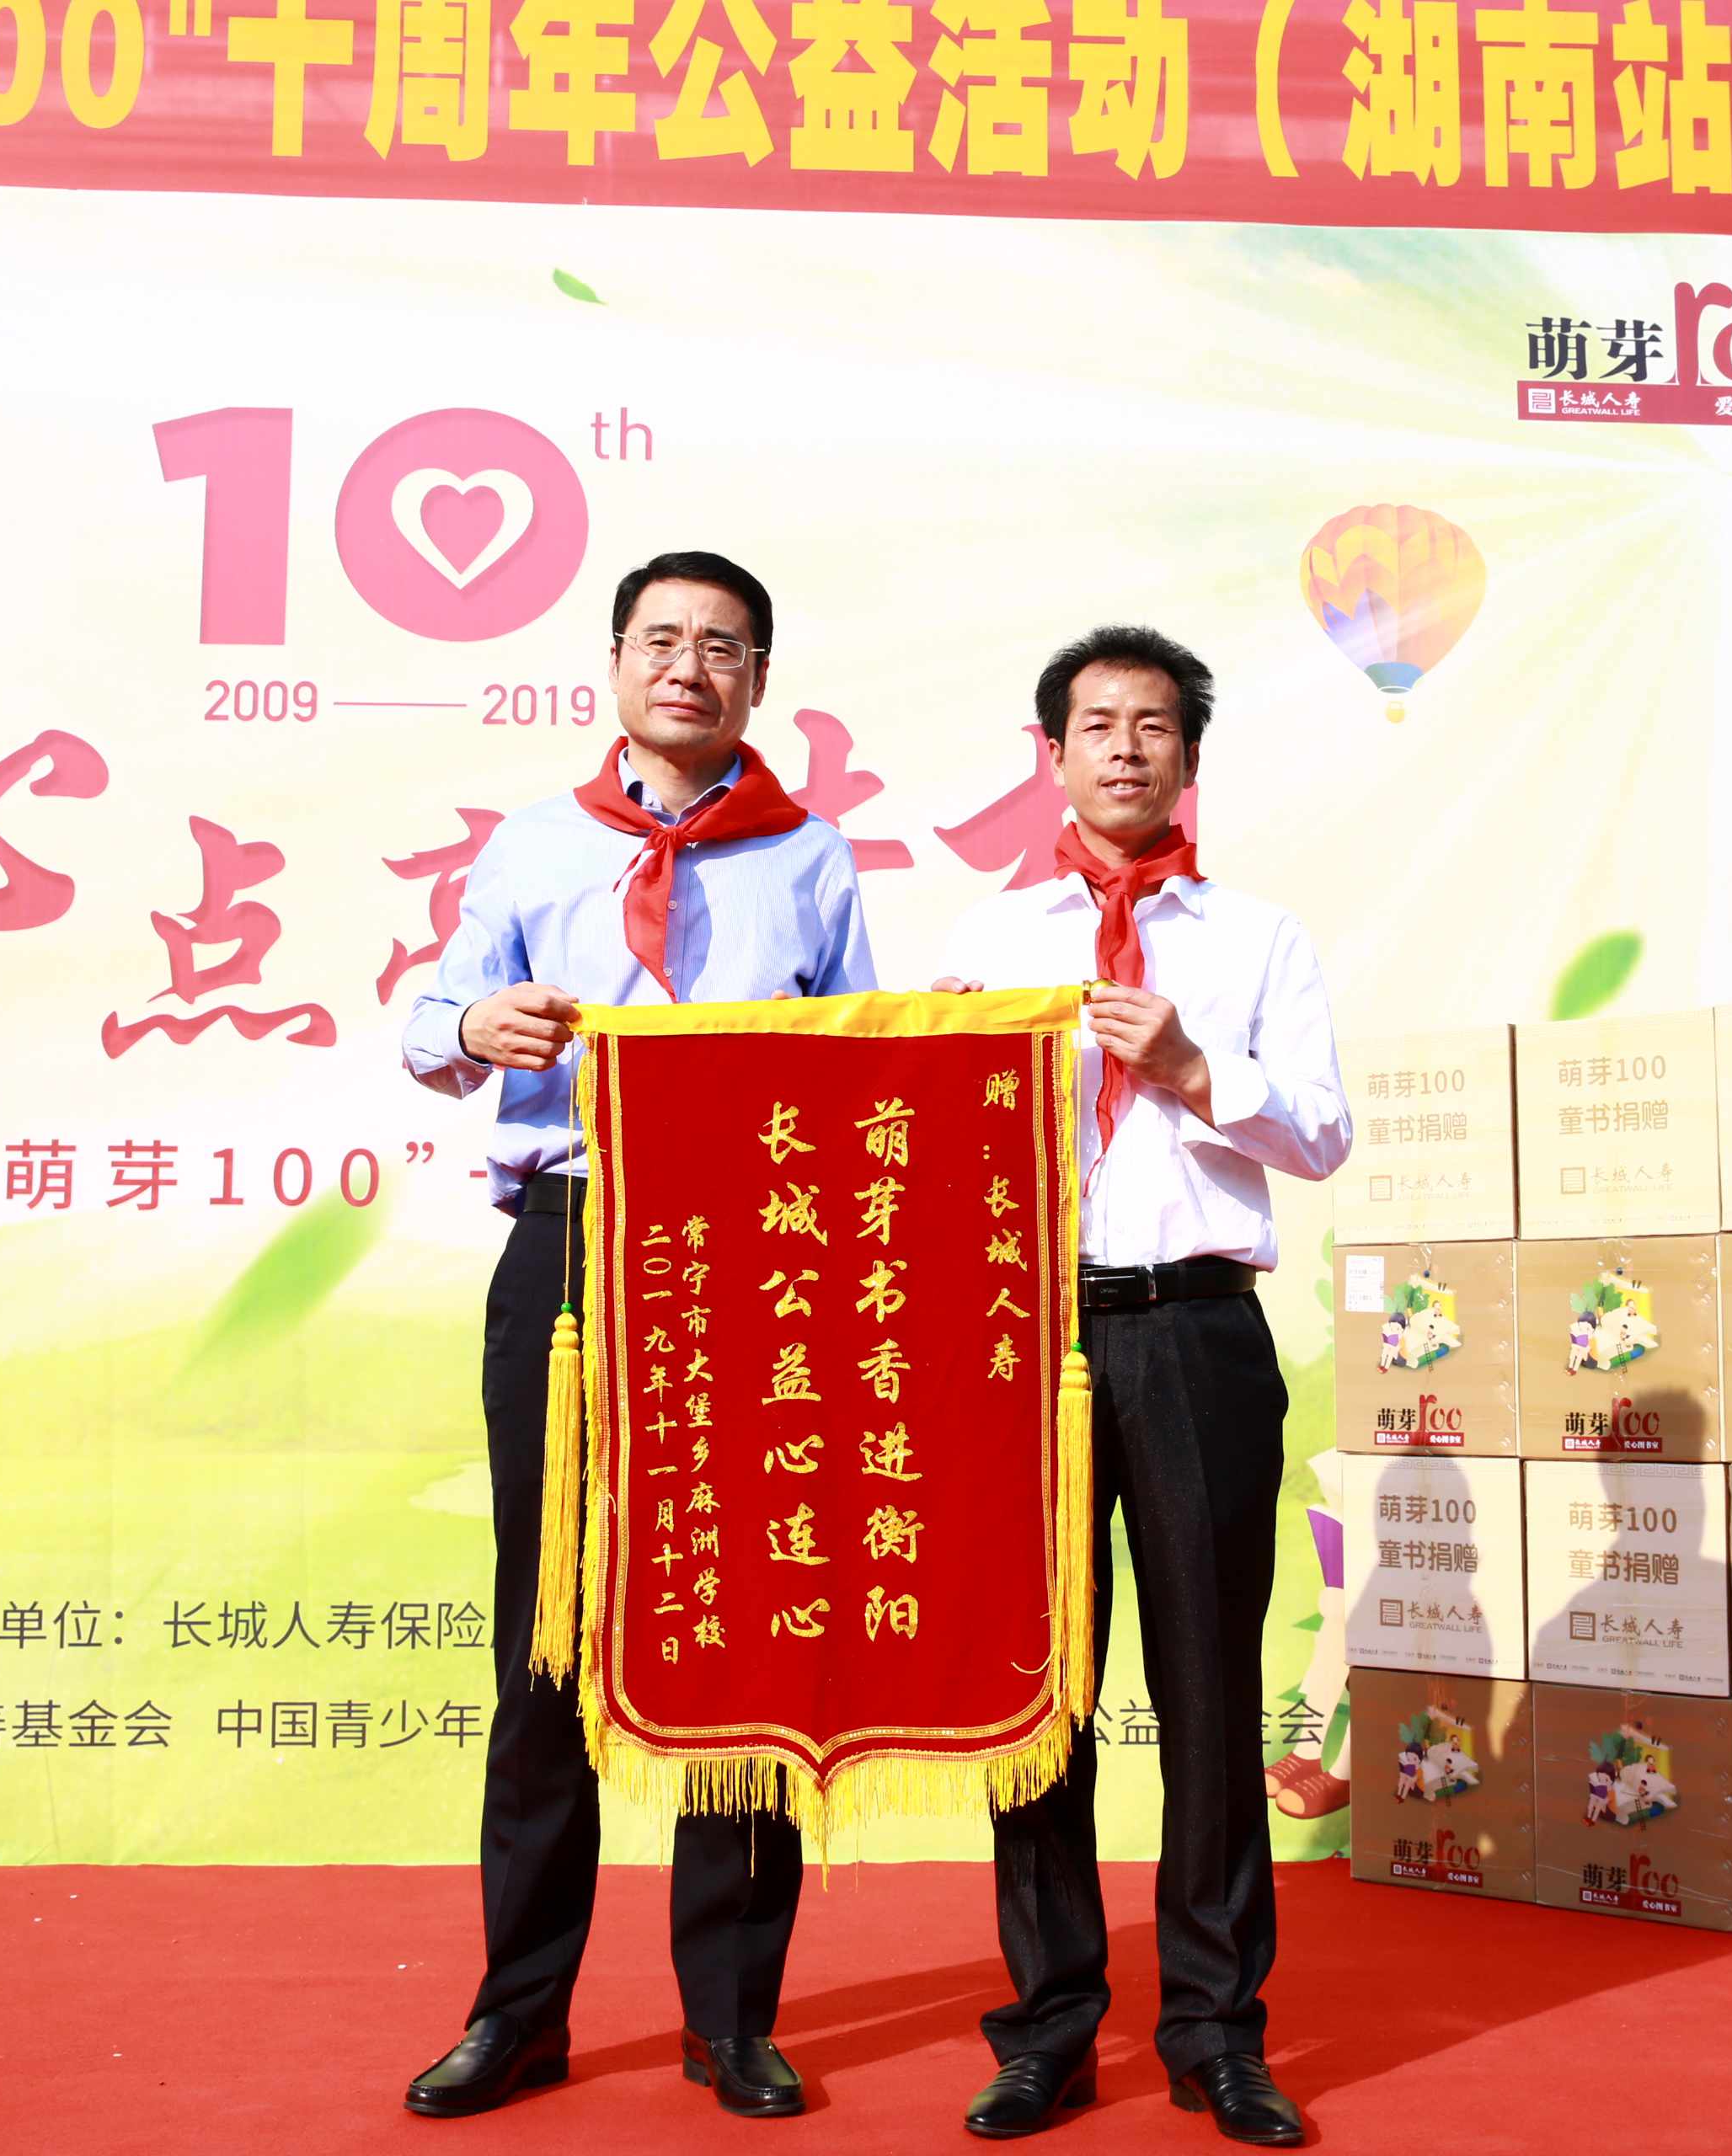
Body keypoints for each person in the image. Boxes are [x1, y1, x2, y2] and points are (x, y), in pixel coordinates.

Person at [397, 550, 875, 2122]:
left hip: (757, 1267)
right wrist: (478, 1026)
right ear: (613, 664)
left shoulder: (810, 857)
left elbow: (863, 1064)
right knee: (548, 1638)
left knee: (744, 1638)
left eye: (722, 645)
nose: (689, 666)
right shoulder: (536, 845)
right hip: (571, 1248)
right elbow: (430, 1025)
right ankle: (518, 2012)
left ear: (758, 680)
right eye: (661, 638)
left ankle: (731, 2018)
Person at [932, 625, 1350, 2147]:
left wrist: (1190, 1069)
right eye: (1096, 723)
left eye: (1153, 724)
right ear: (1053, 753)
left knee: (1208, 1691)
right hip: (1024, 1341)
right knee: (1037, 1696)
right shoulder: (988, 941)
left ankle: (1217, 2034)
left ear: (1189, 756)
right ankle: (1047, 2030)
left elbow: (1321, 1135)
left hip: (1196, 1335)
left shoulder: (1257, 938)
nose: (1124, 747)